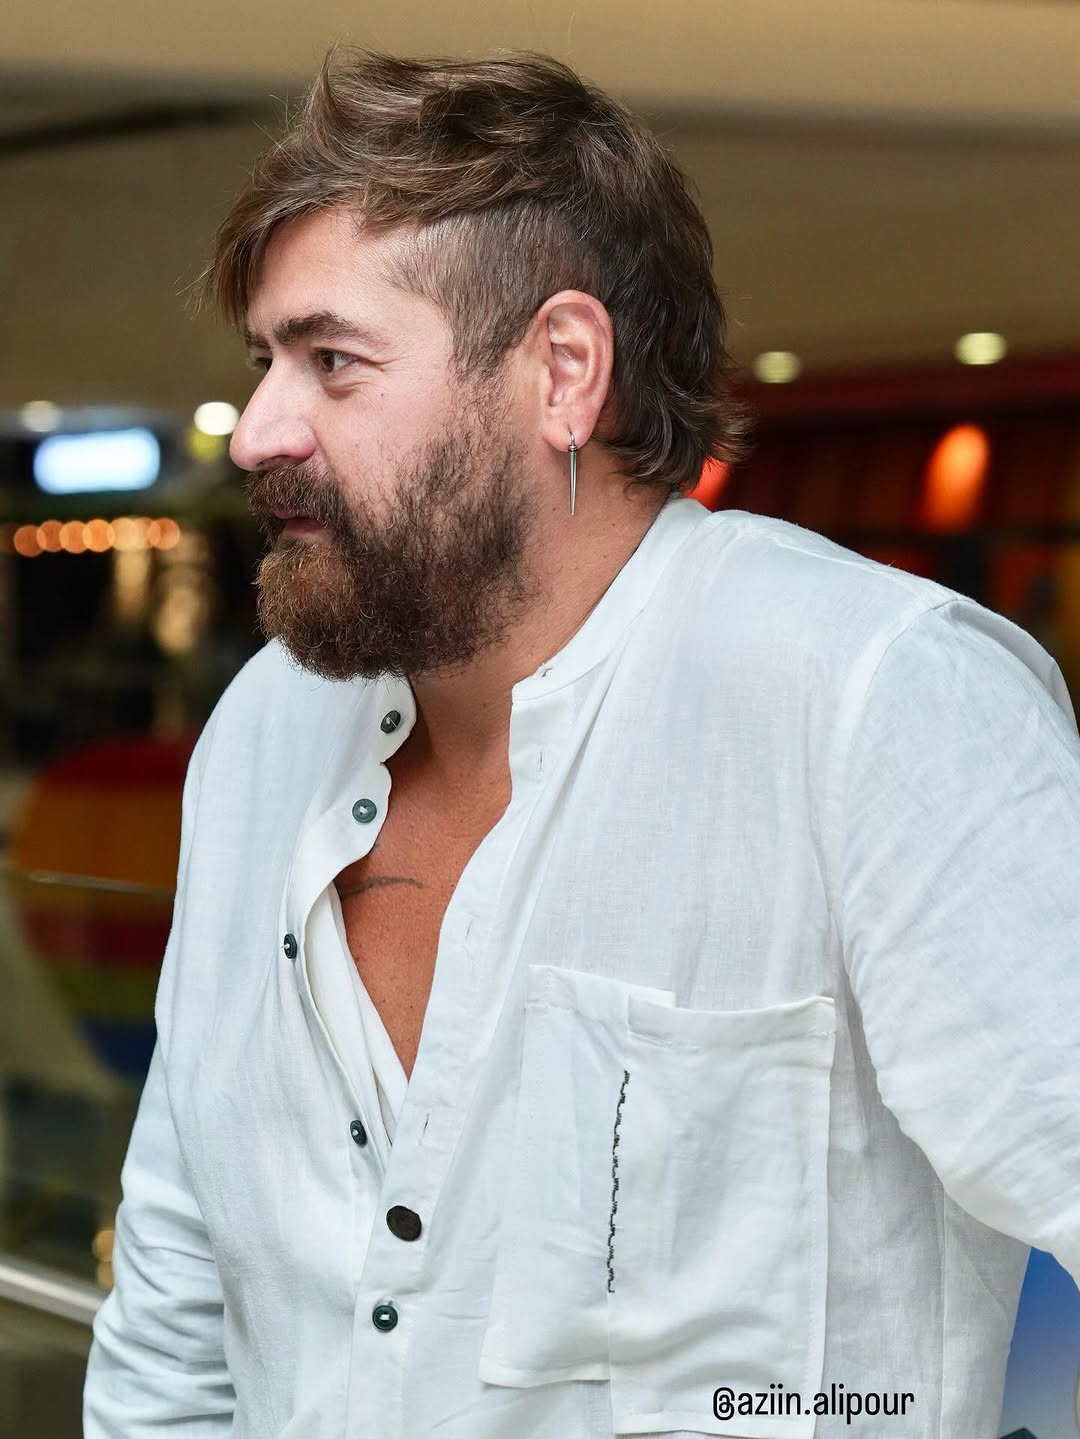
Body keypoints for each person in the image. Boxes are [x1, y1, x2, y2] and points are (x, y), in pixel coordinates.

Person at [83, 47, 1080, 1439]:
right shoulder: (265, 725)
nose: (256, 432)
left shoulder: (878, 700)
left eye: (331, 362)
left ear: (562, 371)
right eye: (266, 364)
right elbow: (177, 1303)